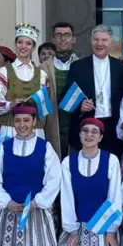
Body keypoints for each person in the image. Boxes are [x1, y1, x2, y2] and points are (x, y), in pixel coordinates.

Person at [0, 104, 61, 246]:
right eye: (17, 121)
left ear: (34, 122)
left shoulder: (45, 148)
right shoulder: (3, 148)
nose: (22, 125)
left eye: (26, 120)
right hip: (9, 209)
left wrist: (37, 202)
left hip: (35, 209)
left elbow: (54, 179)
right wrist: (7, 202)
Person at [55, 119, 123, 246]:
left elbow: (114, 197)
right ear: (80, 135)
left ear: (100, 137)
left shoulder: (111, 160)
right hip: (79, 224)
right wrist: (73, 230)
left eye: (94, 132)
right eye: (85, 131)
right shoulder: (68, 162)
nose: (89, 134)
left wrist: (111, 231)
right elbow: (67, 198)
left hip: (103, 225)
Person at [64, 25, 123, 156]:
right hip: (87, 125)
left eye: (104, 40)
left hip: (112, 127)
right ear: (91, 41)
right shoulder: (77, 67)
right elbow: (66, 98)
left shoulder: (121, 67)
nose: (99, 43)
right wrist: (80, 106)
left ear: (111, 43)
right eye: (96, 40)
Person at [0, 23, 53, 142]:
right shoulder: (4, 71)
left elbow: (44, 107)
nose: (23, 46)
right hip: (10, 127)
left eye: (28, 43)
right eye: (20, 42)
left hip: (35, 128)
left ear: (33, 47)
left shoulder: (42, 75)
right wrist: (11, 104)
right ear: (15, 44)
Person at [40, 21, 79, 157]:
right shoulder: (43, 68)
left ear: (73, 39)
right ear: (53, 39)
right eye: (58, 35)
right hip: (52, 125)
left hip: (75, 125)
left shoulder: (82, 66)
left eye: (67, 35)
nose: (63, 39)